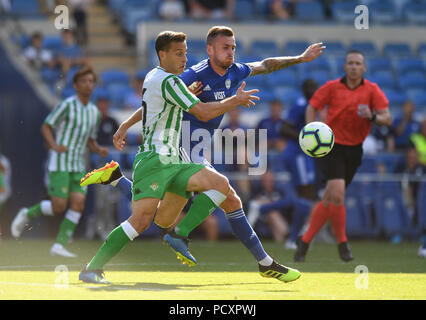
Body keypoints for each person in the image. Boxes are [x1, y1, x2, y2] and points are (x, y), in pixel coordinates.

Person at [82, 26, 323, 274]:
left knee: (164, 217)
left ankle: (120, 183)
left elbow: (266, 64)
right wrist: (127, 124)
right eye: (225, 48)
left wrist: (300, 58)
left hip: (184, 154)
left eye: (233, 48)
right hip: (178, 147)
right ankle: (253, 259)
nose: (230, 53)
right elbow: (168, 101)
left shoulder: (235, 71)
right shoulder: (191, 74)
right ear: (210, 49)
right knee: (219, 193)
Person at [294, 50, 392, 262]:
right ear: (345, 67)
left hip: (355, 149)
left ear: (364, 68)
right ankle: (342, 242)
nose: (354, 66)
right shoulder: (332, 87)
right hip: (332, 147)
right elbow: (313, 106)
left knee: (329, 198)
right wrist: (312, 129)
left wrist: (372, 116)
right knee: (338, 195)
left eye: (358, 63)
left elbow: (387, 118)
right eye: (350, 63)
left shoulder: (372, 90)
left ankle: (304, 241)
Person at [10, 66, 109, 257]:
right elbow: (46, 126)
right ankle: (26, 213)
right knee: (59, 206)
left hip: (78, 164)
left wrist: (98, 149)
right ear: (75, 85)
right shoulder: (67, 105)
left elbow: (89, 139)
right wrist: (54, 145)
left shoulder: (94, 112)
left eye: (91, 81)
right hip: (60, 162)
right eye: (84, 81)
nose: (88, 85)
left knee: (78, 204)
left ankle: (59, 245)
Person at [248, 170, 312, 249]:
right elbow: (251, 202)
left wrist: (267, 203)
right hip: (263, 218)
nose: (268, 182)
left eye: (270, 180)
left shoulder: (278, 191)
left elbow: (285, 205)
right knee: (272, 214)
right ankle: (290, 238)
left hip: (281, 217)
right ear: (262, 181)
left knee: (299, 205)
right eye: (266, 180)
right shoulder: (258, 191)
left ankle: (285, 240)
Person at [280, 78, 319, 201]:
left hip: (305, 154)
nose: (313, 91)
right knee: (305, 187)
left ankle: (308, 216)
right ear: (304, 90)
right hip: (297, 154)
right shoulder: (301, 105)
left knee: (310, 185)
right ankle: (305, 217)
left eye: (315, 87)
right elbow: (283, 128)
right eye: (310, 88)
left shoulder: (313, 105)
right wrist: (305, 137)